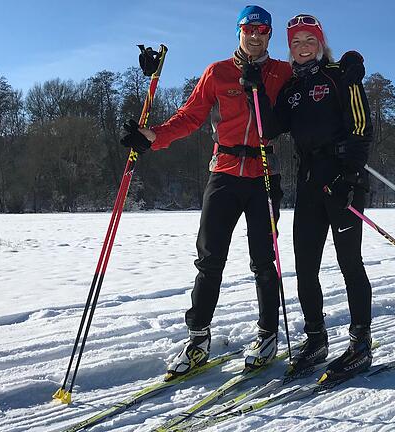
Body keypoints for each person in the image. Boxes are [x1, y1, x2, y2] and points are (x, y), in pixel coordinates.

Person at [120, 5, 292, 377]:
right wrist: (154, 137)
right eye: (249, 29)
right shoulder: (218, 72)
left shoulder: (281, 72)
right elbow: (191, 115)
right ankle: (198, 338)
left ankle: (267, 333)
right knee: (209, 258)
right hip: (225, 172)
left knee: (264, 259)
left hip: (265, 171)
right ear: (239, 32)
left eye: (263, 30)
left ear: (269, 35)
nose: (255, 35)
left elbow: (307, 98)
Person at [244, 13, 374, 381]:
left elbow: (361, 127)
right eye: (296, 43)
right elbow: (269, 128)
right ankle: (316, 338)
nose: (302, 48)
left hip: (342, 181)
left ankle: (360, 342)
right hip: (309, 185)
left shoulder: (339, 76)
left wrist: (348, 176)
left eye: (309, 41)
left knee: (350, 263)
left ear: (320, 43)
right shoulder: (292, 89)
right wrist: (256, 91)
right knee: (305, 266)